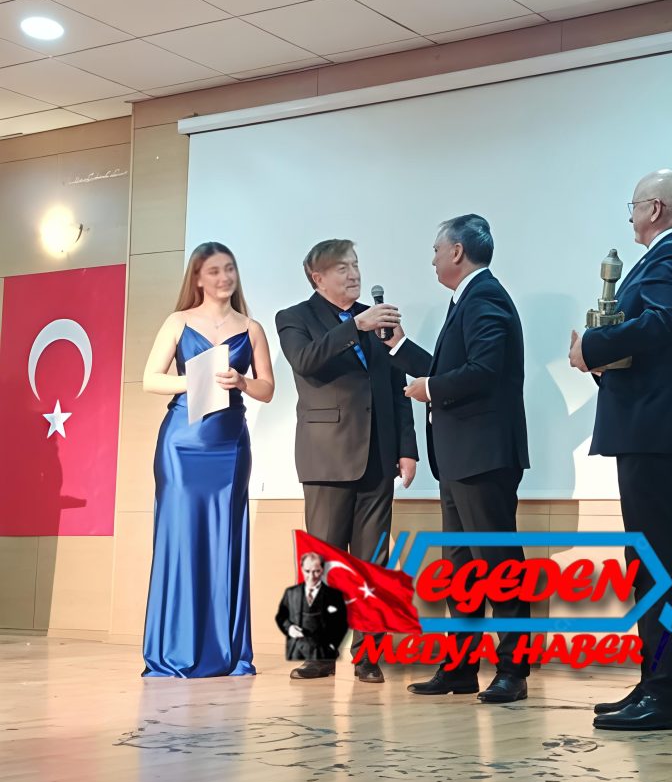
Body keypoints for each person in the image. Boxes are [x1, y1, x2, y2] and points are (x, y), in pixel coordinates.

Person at [568, 169, 672, 730]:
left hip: (656, 431)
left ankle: (666, 693)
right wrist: (604, 360)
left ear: (654, 208)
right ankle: (655, 682)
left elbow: (660, 322)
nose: (630, 216)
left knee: (659, 570)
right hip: (656, 428)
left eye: (633, 206)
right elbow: (657, 339)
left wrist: (592, 346)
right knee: (653, 566)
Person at [387, 214, 531, 704]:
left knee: (498, 566)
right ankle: (460, 667)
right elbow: (452, 369)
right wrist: (401, 348)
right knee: (463, 569)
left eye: (436, 249)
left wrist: (429, 388)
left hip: (483, 457)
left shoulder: (485, 297)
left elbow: (484, 370)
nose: (431, 259)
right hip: (459, 458)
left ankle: (513, 671)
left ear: (456, 252)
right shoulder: (468, 298)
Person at [275, 239, 419, 683]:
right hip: (327, 456)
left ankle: (368, 655)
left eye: (355, 265)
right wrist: (355, 326)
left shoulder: (375, 320)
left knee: (374, 561)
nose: (353, 274)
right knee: (322, 560)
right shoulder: (294, 318)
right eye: (342, 268)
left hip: (378, 455)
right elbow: (306, 360)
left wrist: (407, 447)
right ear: (317, 277)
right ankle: (318, 653)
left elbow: (396, 386)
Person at [142, 241, 275, 677]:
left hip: (229, 444)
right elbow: (150, 379)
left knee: (225, 539)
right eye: (214, 271)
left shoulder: (251, 328)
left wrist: (241, 381)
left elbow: (267, 389)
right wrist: (193, 380)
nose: (224, 277)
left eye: (229, 269)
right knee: (182, 538)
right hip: (182, 443)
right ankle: (174, 648)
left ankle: (225, 650)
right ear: (198, 278)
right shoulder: (178, 322)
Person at [275, 552, 349, 678]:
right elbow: (282, 616)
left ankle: (367, 657)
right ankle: (322, 659)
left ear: (321, 570)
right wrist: (290, 627)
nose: (311, 576)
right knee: (323, 548)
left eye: (316, 571)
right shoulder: (292, 593)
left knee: (368, 569)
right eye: (307, 571)